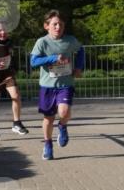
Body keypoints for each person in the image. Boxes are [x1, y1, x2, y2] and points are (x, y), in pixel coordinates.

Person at [30, 10, 84, 161]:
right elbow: (33, 62)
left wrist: (79, 67)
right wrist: (52, 58)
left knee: (64, 112)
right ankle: (48, 144)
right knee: (48, 118)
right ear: (46, 26)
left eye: (60, 24)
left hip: (65, 84)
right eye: (54, 24)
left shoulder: (70, 40)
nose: (58, 27)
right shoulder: (42, 42)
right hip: (47, 86)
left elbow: (81, 50)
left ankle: (62, 126)